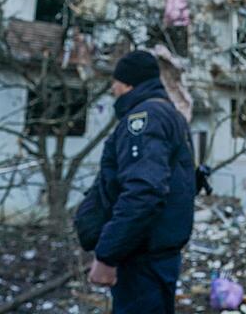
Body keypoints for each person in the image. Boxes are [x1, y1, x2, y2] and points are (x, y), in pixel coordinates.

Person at [74, 50, 195, 314]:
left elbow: (144, 191)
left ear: (128, 83)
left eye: (115, 83)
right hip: (156, 255)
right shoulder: (170, 114)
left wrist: (107, 255)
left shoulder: (144, 118)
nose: (113, 89)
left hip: (141, 260)